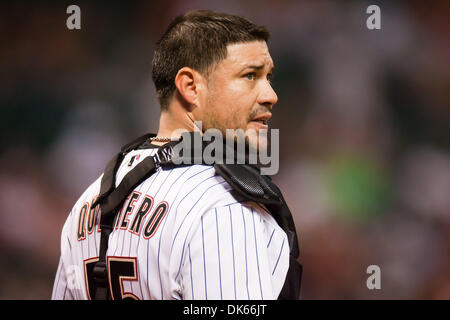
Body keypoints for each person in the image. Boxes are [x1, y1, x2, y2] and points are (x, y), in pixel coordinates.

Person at [52, 10, 300, 300]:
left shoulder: (88, 202)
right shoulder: (222, 206)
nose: (270, 94)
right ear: (191, 87)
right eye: (250, 76)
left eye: (267, 77)